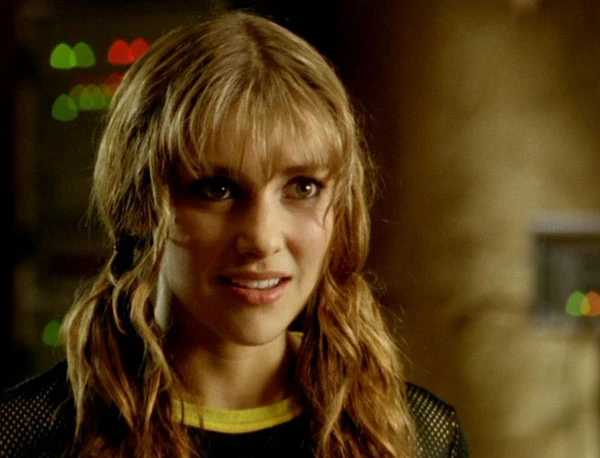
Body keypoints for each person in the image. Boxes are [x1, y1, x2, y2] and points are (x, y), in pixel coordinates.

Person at [0, 10, 470, 458]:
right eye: (218, 189)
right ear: (140, 204)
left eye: (303, 187)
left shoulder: (417, 435)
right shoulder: (24, 437)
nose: (263, 238)